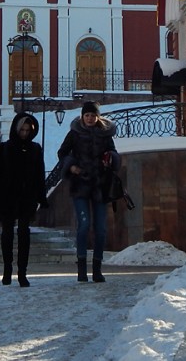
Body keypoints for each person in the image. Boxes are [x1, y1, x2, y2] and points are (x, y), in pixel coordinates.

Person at [57, 100, 119, 283]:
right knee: (84, 226)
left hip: (100, 186)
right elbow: (62, 153)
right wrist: (72, 167)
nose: (90, 118)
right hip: (80, 185)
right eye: (87, 115)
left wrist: (110, 159)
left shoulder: (105, 134)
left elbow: (114, 153)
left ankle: (97, 269)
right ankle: (82, 268)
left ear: (97, 116)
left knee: (100, 229)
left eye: (93, 115)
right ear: (82, 116)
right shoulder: (75, 133)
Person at [0, 111, 47, 286]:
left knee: (24, 233)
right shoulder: (3, 148)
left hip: (27, 197)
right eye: (22, 130)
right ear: (16, 129)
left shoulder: (35, 149)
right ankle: (7, 270)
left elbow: (39, 174)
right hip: (7, 197)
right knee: (7, 233)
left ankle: (22, 273)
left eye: (28, 130)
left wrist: (41, 197)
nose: (25, 133)